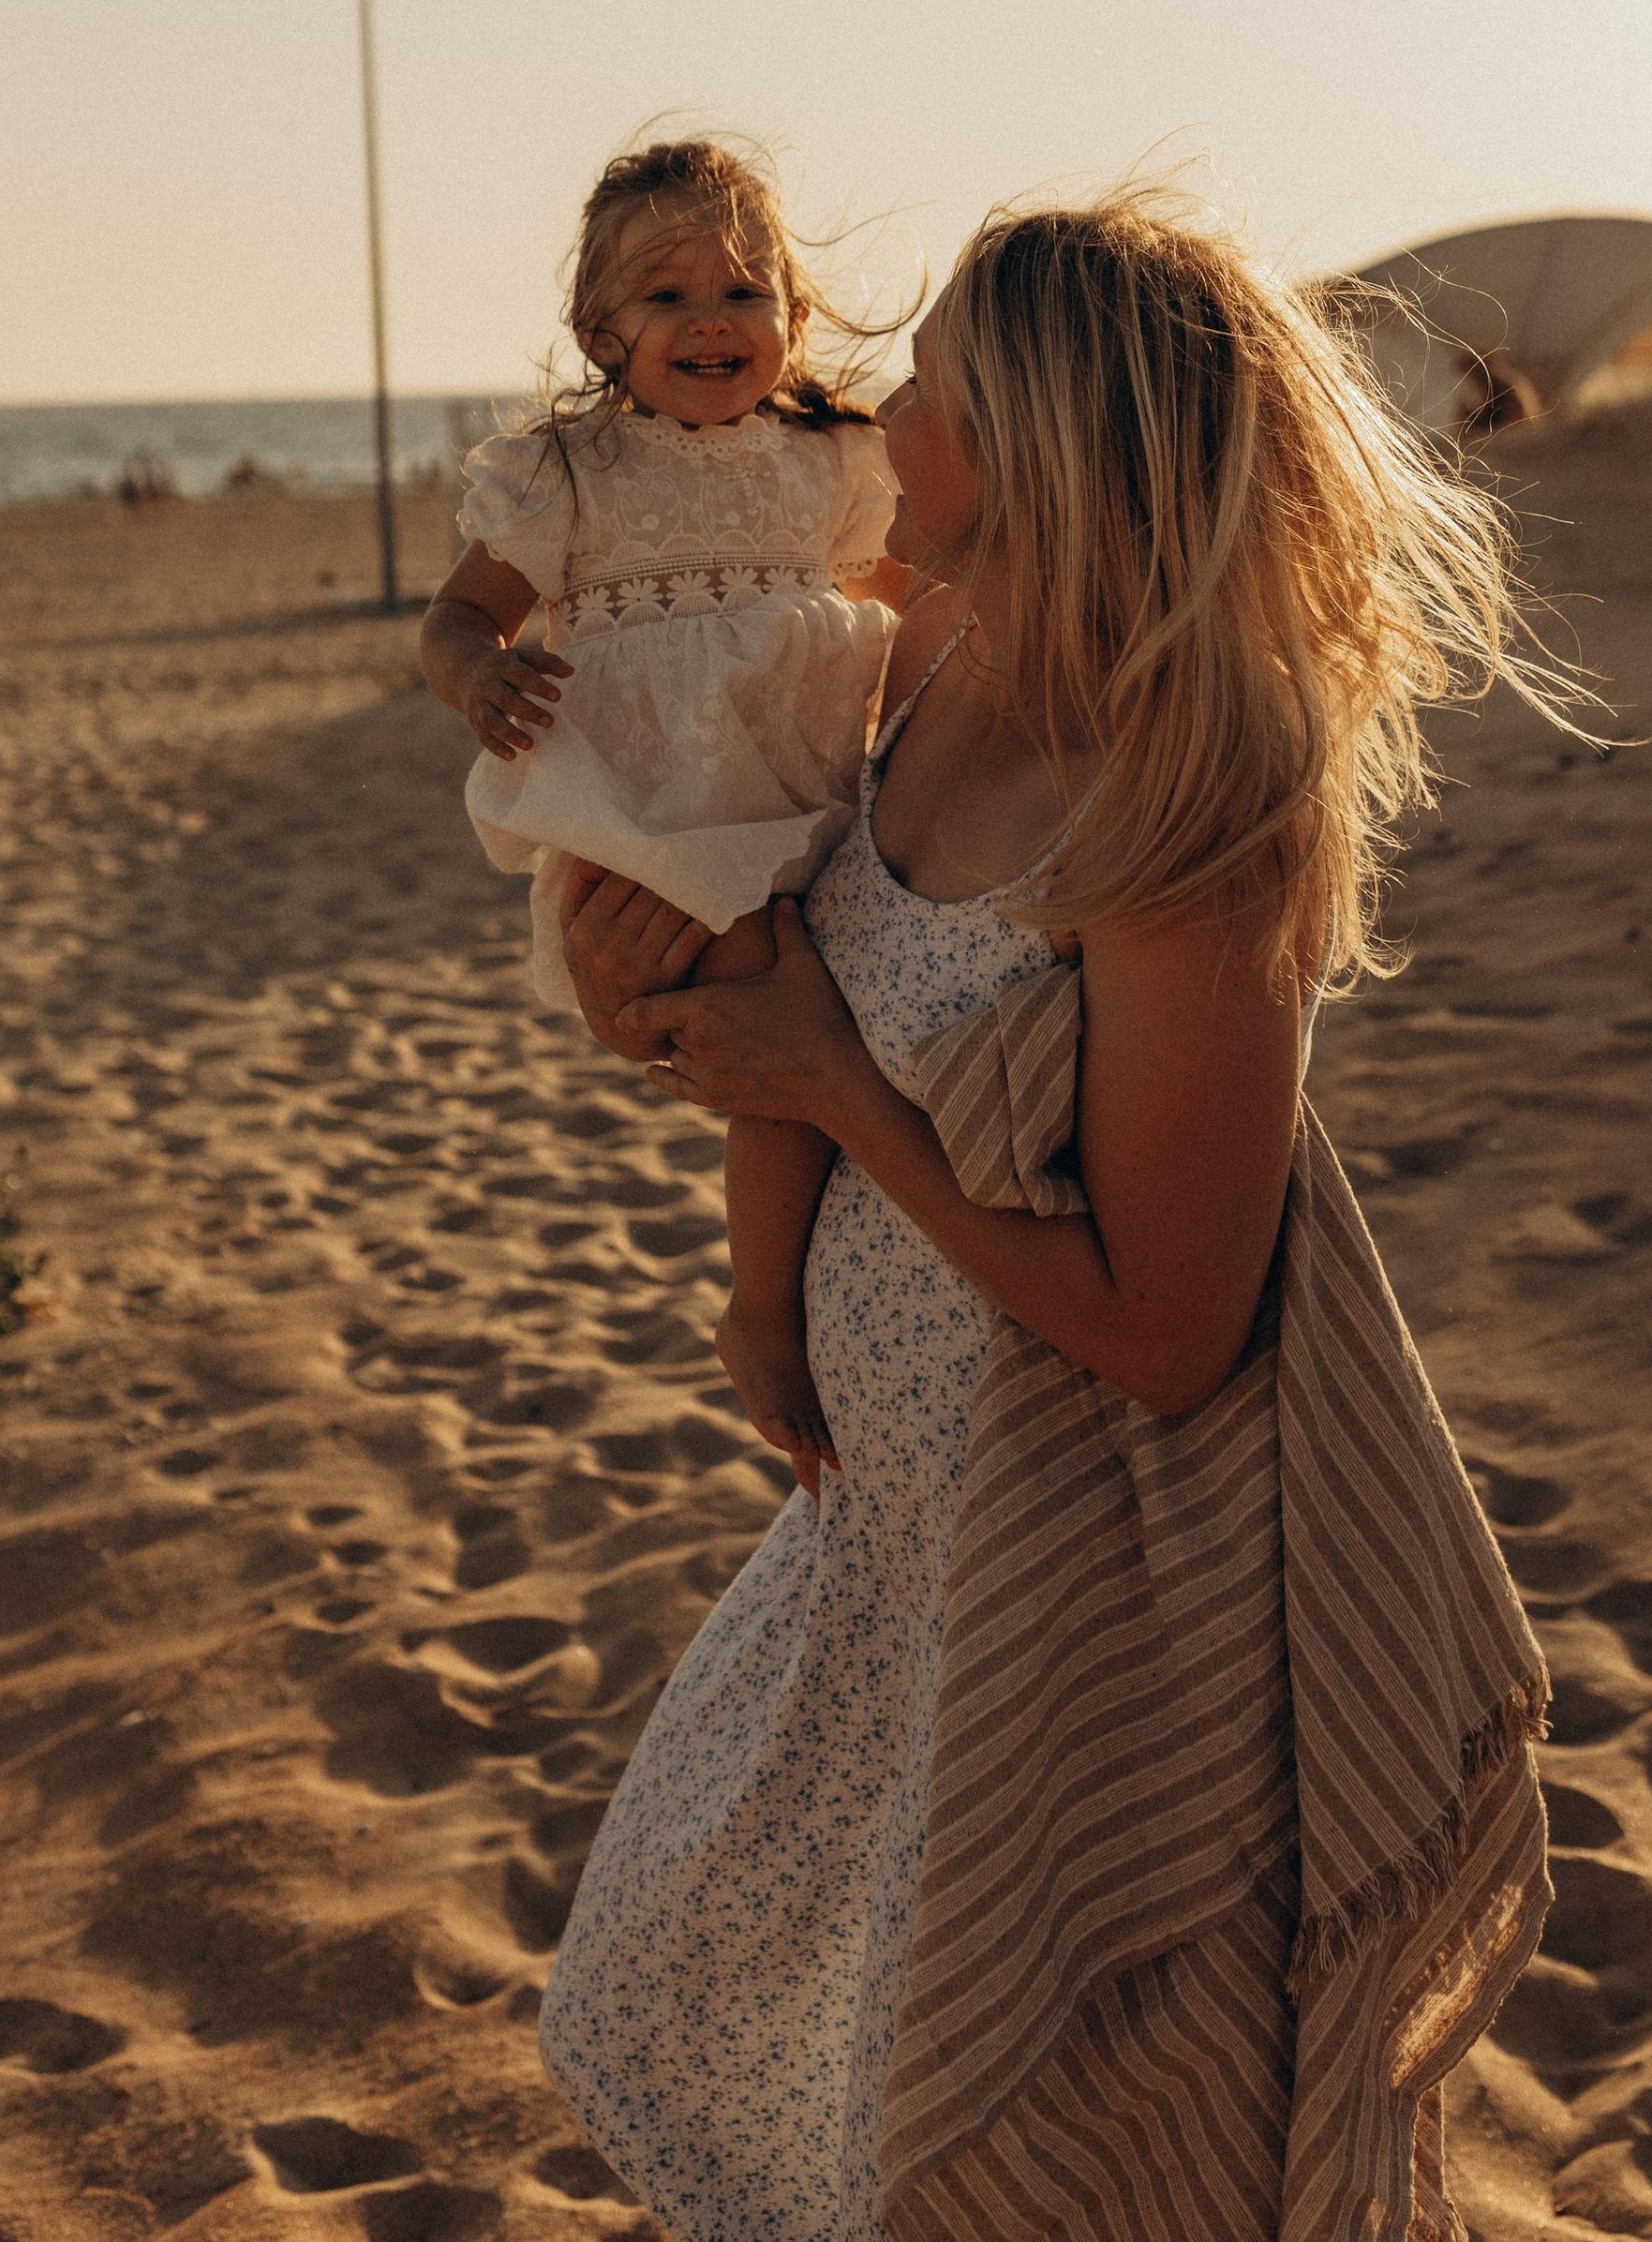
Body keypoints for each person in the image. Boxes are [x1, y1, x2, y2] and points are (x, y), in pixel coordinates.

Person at [538, 189, 1564, 2242]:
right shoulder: (915, 653)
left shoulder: (1186, 792)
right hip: (889, 1541)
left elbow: (1170, 1328)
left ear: (1034, 435)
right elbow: (736, 947)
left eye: (933, 372)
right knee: (705, 1978)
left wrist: (840, 1088)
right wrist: (631, 975)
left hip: (1087, 1576)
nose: (885, 396)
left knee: (1040, 2129)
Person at [419, 136, 902, 1480]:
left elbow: (917, 608)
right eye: (667, 296)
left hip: (810, 800)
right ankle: (759, 1310)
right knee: (764, 1004)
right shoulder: (568, 477)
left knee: (848, 998)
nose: (711, 320)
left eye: (745, 291)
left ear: (793, 316)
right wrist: (479, 678)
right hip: (652, 820)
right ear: (599, 330)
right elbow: (456, 618)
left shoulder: (834, 458)